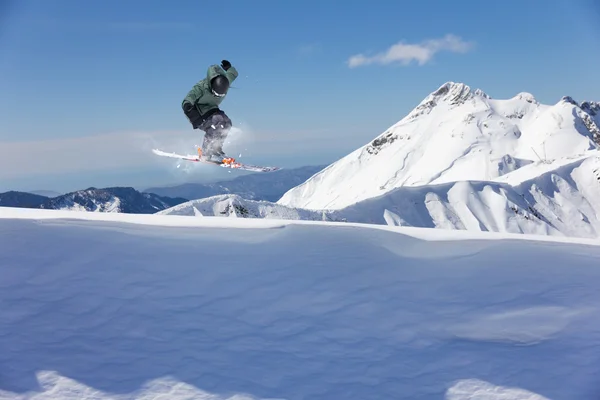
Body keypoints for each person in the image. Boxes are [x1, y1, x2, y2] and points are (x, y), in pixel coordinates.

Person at [182, 60, 238, 161]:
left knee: (227, 123)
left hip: (211, 109)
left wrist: (229, 68)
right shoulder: (201, 87)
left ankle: (216, 148)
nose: (218, 96)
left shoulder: (226, 81)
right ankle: (206, 152)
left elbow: (233, 74)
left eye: (220, 95)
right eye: (216, 94)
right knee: (217, 124)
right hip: (197, 112)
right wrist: (187, 105)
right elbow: (189, 98)